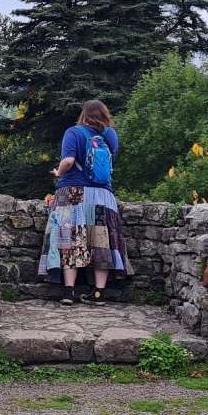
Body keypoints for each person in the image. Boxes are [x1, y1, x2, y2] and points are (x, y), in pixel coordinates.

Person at [38, 99, 131, 305]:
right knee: (101, 242)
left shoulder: (74, 132)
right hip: (102, 196)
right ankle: (98, 293)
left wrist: (58, 172)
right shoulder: (110, 136)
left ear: (84, 115)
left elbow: (69, 161)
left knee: (69, 239)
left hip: (73, 193)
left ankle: (68, 292)